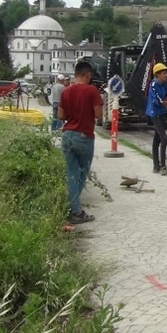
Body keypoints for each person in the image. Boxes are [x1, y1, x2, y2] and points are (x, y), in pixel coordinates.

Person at [57, 61, 103, 225]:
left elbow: (60, 115)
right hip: (84, 137)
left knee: (71, 173)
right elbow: (99, 115)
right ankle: (75, 211)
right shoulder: (92, 91)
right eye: (90, 76)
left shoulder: (66, 91)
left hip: (67, 135)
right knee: (81, 175)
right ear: (87, 75)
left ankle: (72, 208)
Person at [146, 63, 167, 175]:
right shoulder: (154, 85)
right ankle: (162, 167)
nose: (166, 75)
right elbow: (161, 101)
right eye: (164, 73)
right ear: (157, 74)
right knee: (164, 139)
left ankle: (156, 167)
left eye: (166, 73)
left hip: (162, 113)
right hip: (155, 113)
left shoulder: (163, 84)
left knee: (156, 140)